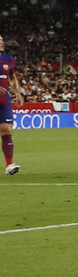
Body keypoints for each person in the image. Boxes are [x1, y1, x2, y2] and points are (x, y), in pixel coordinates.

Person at [0, 32, 15, 175]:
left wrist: (18, 93)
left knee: (6, 129)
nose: (2, 42)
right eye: (0, 41)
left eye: (2, 40)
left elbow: (12, 76)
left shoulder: (7, 59)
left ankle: (9, 165)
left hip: (4, 100)